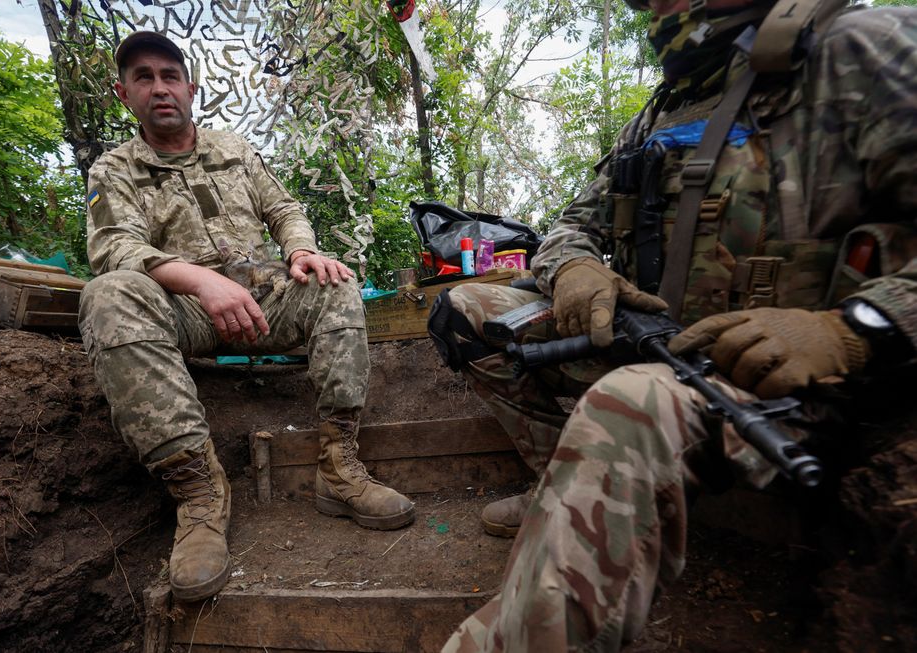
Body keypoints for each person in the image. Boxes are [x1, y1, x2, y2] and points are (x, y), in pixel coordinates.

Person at [429, 0, 917, 648]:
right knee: (465, 310)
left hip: (784, 390)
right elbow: (572, 222)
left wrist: (854, 328)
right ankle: (569, 483)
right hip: (656, 343)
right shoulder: (663, 108)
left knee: (626, 404)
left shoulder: (860, 46)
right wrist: (574, 267)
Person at [78, 31, 414, 603]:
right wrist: (202, 281)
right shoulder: (114, 170)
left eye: (169, 75)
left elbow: (283, 209)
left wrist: (302, 250)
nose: (159, 88)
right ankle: (201, 496)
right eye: (143, 77)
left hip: (263, 295)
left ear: (191, 86)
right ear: (124, 93)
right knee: (109, 293)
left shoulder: (234, 147)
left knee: (337, 282)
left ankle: (338, 465)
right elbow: (117, 248)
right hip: (184, 306)